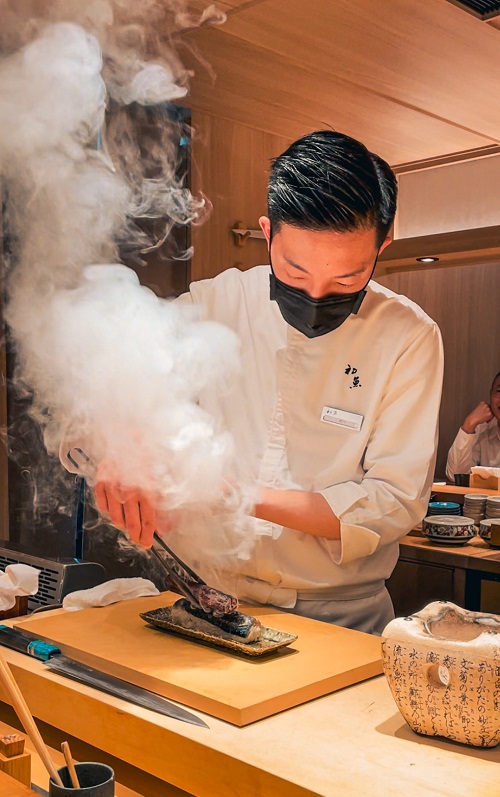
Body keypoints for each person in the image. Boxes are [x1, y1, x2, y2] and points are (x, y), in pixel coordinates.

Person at [73, 130, 444, 635]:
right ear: (267, 234)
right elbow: (104, 391)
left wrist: (240, 496)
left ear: (384, 245)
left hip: (338, 617)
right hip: (204, 597)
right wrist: (121, 446)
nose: (316, 296)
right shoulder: (216, 304)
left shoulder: (409, 337)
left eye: (346, 281)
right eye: (294, 272)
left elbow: (392, 501)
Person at [446, 371, 500, 481]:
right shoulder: (483, 429)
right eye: (499, 391)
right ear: (490, 394)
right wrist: (469, 424)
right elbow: (455, 476)